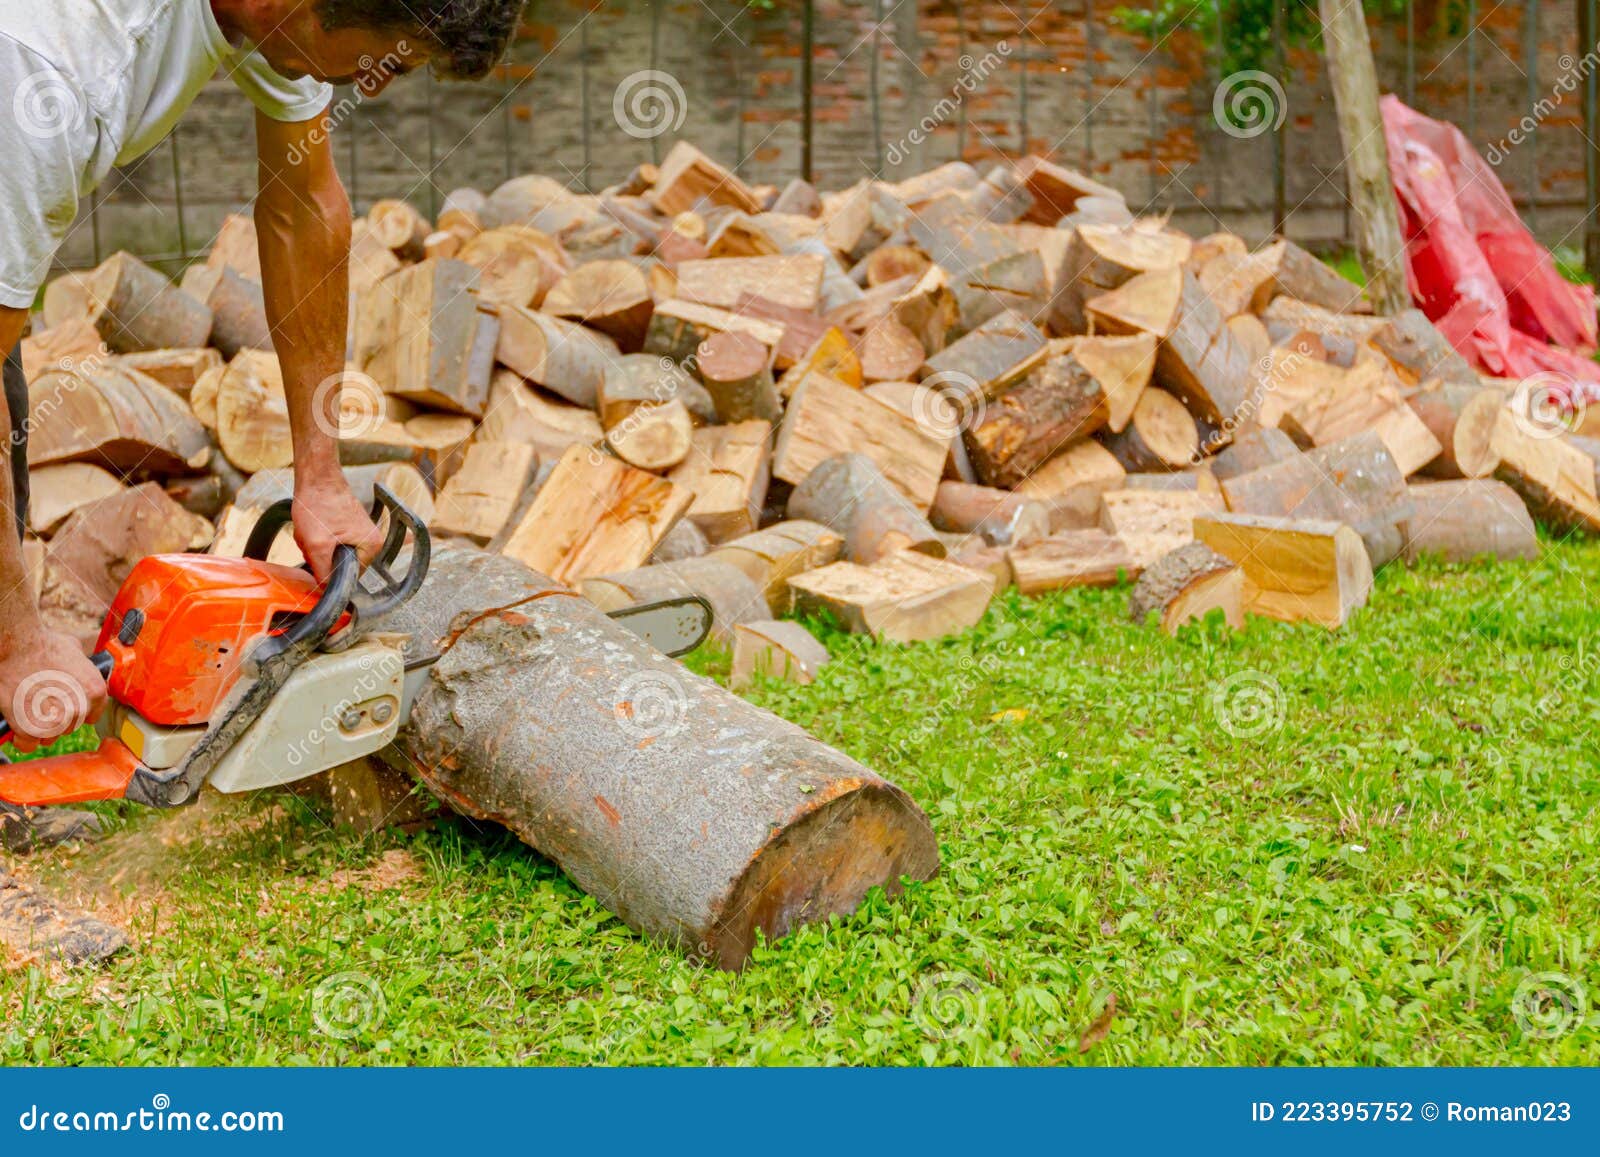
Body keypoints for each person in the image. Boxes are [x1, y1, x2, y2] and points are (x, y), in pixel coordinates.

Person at [0, 0, 526, 849]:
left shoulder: (278, 33)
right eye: (372, 58)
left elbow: (301, 210)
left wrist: (318, 476)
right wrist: (17, 634)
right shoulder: (50, 67)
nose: (369, 82)